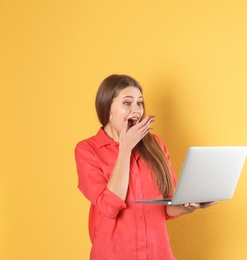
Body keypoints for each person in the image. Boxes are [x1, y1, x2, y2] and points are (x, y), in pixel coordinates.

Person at [75, 74, 217, 260]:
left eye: (139, 103)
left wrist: (189, 206)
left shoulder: (156, 145)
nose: (136, 110)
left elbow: (167, 205)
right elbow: (110, 206)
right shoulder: (87, 150)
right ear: (107, 108)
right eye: (127, 103)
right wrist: (125, 148)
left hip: (157, 254)